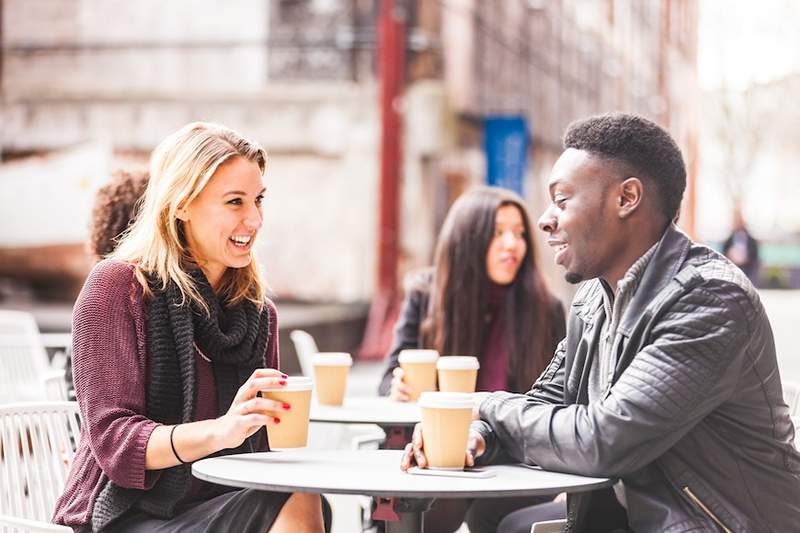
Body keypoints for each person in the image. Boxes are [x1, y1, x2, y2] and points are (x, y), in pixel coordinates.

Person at [402, 113, 800, 532]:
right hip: (633, 509)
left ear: (627, 198)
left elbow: (603, 439)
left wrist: (480, 405)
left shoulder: (710, 299)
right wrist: (480, 435)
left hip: (716, 522)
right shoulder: (592, 298)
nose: (544, 219)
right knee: (495, 513)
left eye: (562, 199)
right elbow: (543, 403)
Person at [53, 122, 326, 532]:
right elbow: (114, 442)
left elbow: (264, 452)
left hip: (217, 504)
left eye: (258, 200)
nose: (254, 219)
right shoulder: (118, 288)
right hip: (124, 515)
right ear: (180, 204)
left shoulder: (257, 313)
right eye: (234, 202)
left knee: (304, 495)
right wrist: (221, 431)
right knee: (293, 502)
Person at [380, 186, 566, 532]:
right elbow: (388, 377)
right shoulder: (426, 296)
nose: (512, 244)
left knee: (497, 514)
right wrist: (399, 385)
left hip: (512, 460)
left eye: (519, 234)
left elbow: (561, 400)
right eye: (498, 233)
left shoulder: (546, 309)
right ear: (467, 240)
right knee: (423, 505)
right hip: (432, 451)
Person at [722, 207, 760, 284]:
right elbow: (723, 254)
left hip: (747, 269)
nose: (738, 222)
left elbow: (755, 256)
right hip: (732, 269)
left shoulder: (751, 240)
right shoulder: (729, 240)